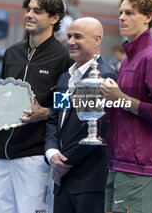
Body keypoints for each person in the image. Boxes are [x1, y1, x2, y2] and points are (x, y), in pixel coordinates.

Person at [0, 0, 73, 213]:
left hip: (35, 157)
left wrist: (44, 112)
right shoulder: (11, 53)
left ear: (54, 18)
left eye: (37, 11)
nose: (29, 14)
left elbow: (66, 109)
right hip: (2, 154)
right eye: (28, 9)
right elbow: (2, 99)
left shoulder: (64, 59)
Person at [100, 0, 152, 213]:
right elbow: (124, 108)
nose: (122, 17)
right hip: (119, 160)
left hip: (139, 167)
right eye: (121, 12)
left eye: (130, 13)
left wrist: (122, 99)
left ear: (148, 18)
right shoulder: (127, 60)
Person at [44, 17, 116, 213]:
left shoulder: (104, 77)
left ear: (97, 40)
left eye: (78, 36)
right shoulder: (65, 78)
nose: (70, 41)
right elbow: (54, 120)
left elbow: (94, 128)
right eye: (69, 36)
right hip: (62, 181)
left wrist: (65, 162)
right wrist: (51, 154)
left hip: (89, 183)